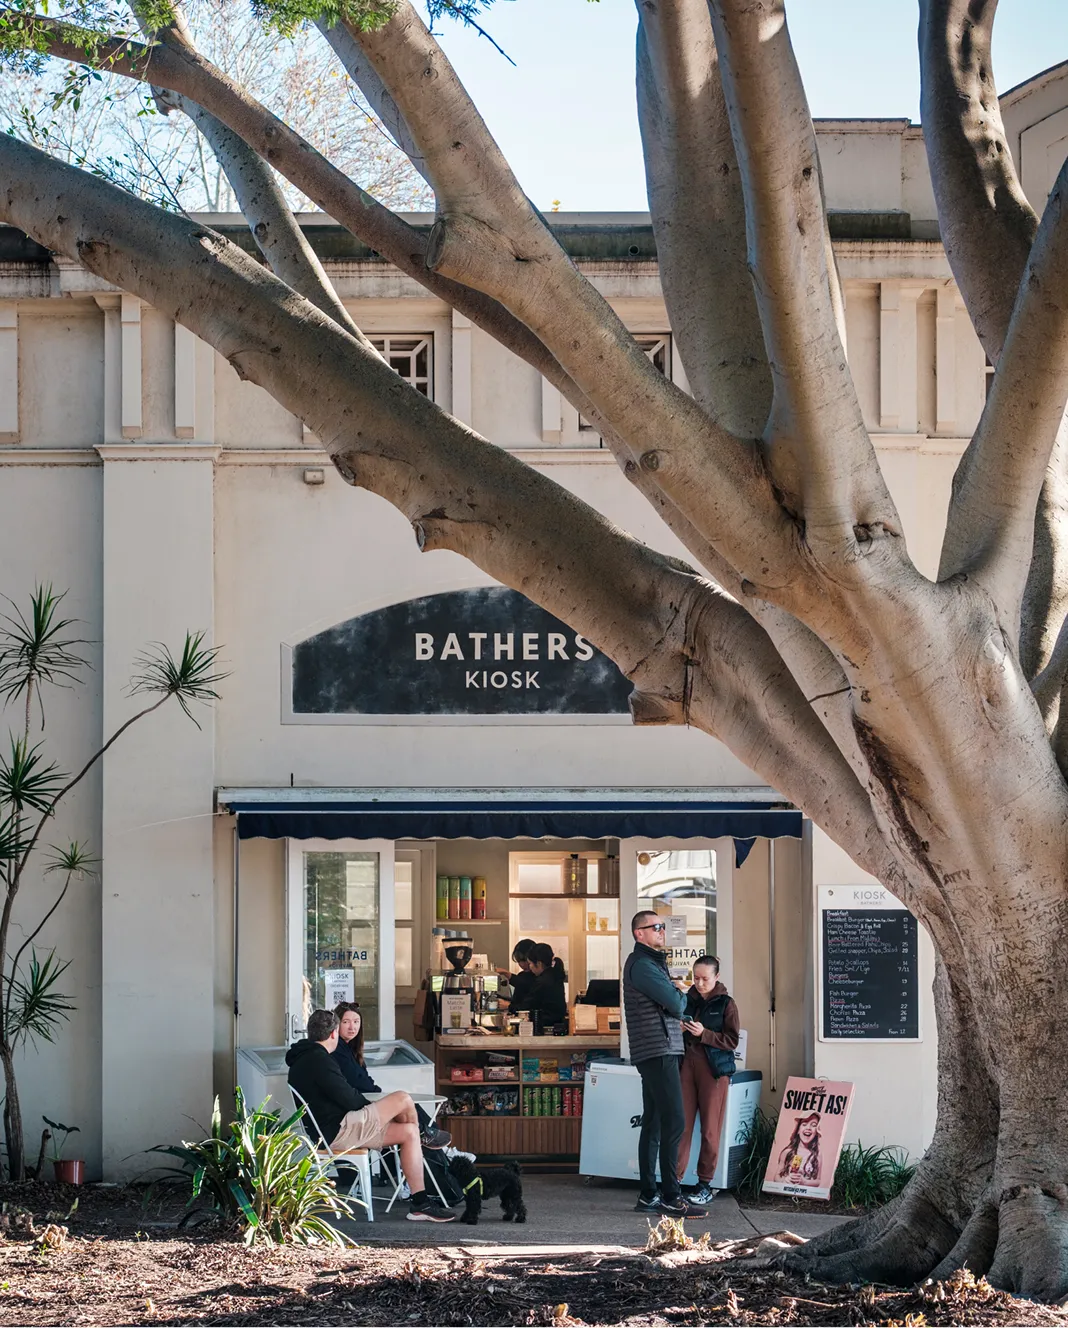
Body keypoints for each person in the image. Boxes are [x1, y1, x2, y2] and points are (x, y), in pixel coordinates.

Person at [286, 1008, 456, 1222]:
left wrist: (377, 1111)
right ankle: (426, 1136)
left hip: (337, 1129)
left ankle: (420, 1203)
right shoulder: (319, 1060)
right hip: (338, 1131)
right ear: (334, 1034)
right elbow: (349, 1099)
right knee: (402, 1099)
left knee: (408, 1131)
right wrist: (378, 1110)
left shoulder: (304, 1058)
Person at [622, 910, 707, 1219]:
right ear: (639, 934)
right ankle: (671, 1196)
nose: (661, 931)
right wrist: (678, 997)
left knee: (656, 1122)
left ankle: (649, 1195)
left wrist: (674, 999)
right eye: (654, 927)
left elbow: (673, 1004)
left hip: (659, 1048)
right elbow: (677, 1003)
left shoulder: (651, 964)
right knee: (675, 1121)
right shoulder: (643, 965)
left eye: (662, 926)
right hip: (657, 1049)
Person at [330, 1001, 452, 1149]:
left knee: (411, 1107)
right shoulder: (338, 1050)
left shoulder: (350, 1048)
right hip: (357, 1109)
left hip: (364, 1102)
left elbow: (363, 1079)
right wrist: (381, 1097)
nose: (352, 1027)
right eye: (346, 1022)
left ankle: (437, 1147)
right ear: (336, 1025)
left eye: (356, 1022)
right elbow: (359, 1082)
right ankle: (439, 1149)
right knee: (407, 1108)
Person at [676, 955, 740, 1205]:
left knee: (710, 1129)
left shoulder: (726, 1004)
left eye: (705, 978)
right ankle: (674, 1182)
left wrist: (706, 1034)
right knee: (680, 1126)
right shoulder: (685, 1000)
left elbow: (732, 1040)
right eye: (696, 978)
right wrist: (679, 1029)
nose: (699, 983)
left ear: (717, 977)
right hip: (686, 1064)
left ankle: (704, 1183)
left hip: (714, 1070)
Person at [521, 942, 568, 1028]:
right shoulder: (554, 975)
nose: (530, 967)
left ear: (538, 963)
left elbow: (527, 1005)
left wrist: (508, 1005)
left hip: (546, 1024)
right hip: (557, 1023)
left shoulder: (542, 981)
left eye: (530, 963)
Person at [776, 1113, 822, 1186]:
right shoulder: (787, 1152)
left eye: (813, 1125)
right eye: (804, 1124)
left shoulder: (817, 1155)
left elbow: (818, 1181)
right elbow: (776, 1177)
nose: (808, 1128)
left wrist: (805, 1182)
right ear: (798, 1130)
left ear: (816, 1132)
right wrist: (784, 1180)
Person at [499, 939, 536, 1010]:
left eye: (524, 960)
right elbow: (517, 1001)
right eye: (519, 961)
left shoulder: (539, 978)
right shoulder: (522, 975)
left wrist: (505, 973)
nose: (521, 964)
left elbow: (524, 984)